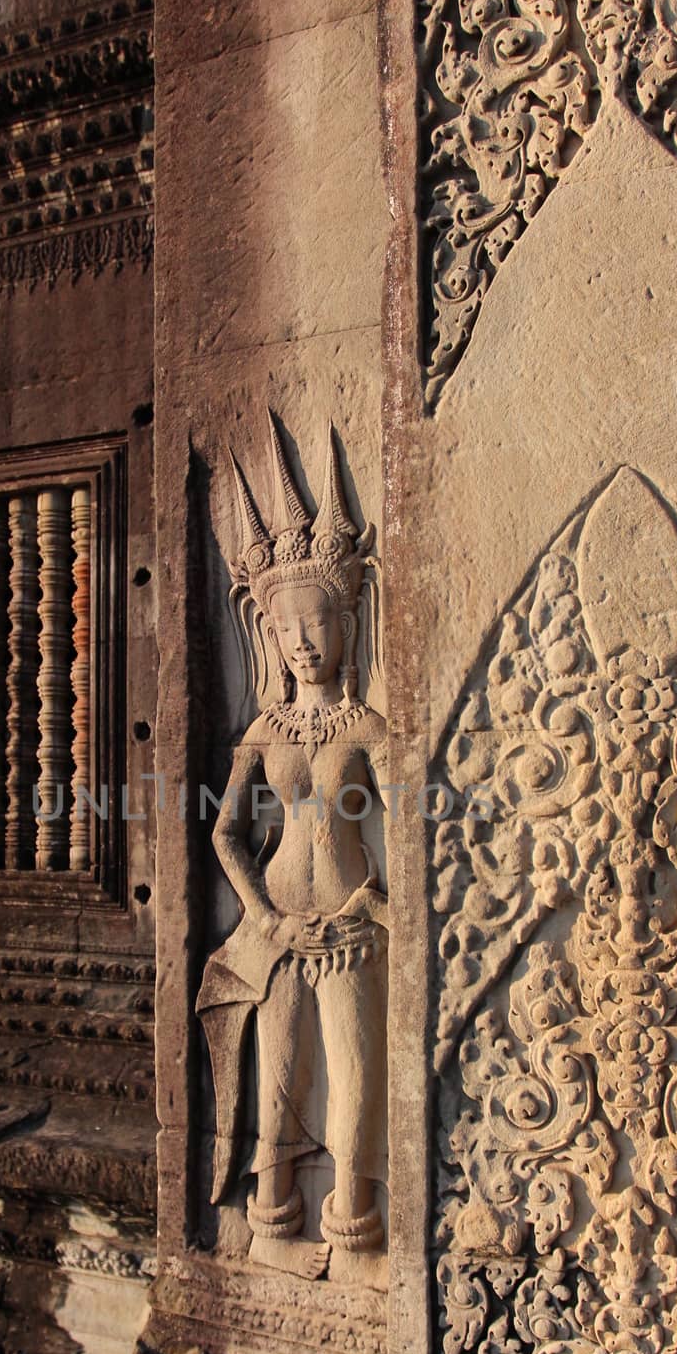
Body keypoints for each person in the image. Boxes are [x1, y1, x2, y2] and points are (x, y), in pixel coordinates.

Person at [197, 416, 388, 1286]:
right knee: (279, 1084)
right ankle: (273, 1223)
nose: (302, 642)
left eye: (315, 623)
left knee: (353, 1081)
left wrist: (371, 905)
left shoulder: (364, 726)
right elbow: (224, 830)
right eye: (285, 632)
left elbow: (413, 830)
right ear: (267, 640)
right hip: (277, 930)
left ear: (347, 623)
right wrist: (265, 913)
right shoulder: (264, 728)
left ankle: (355, 1224)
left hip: (347, 927)